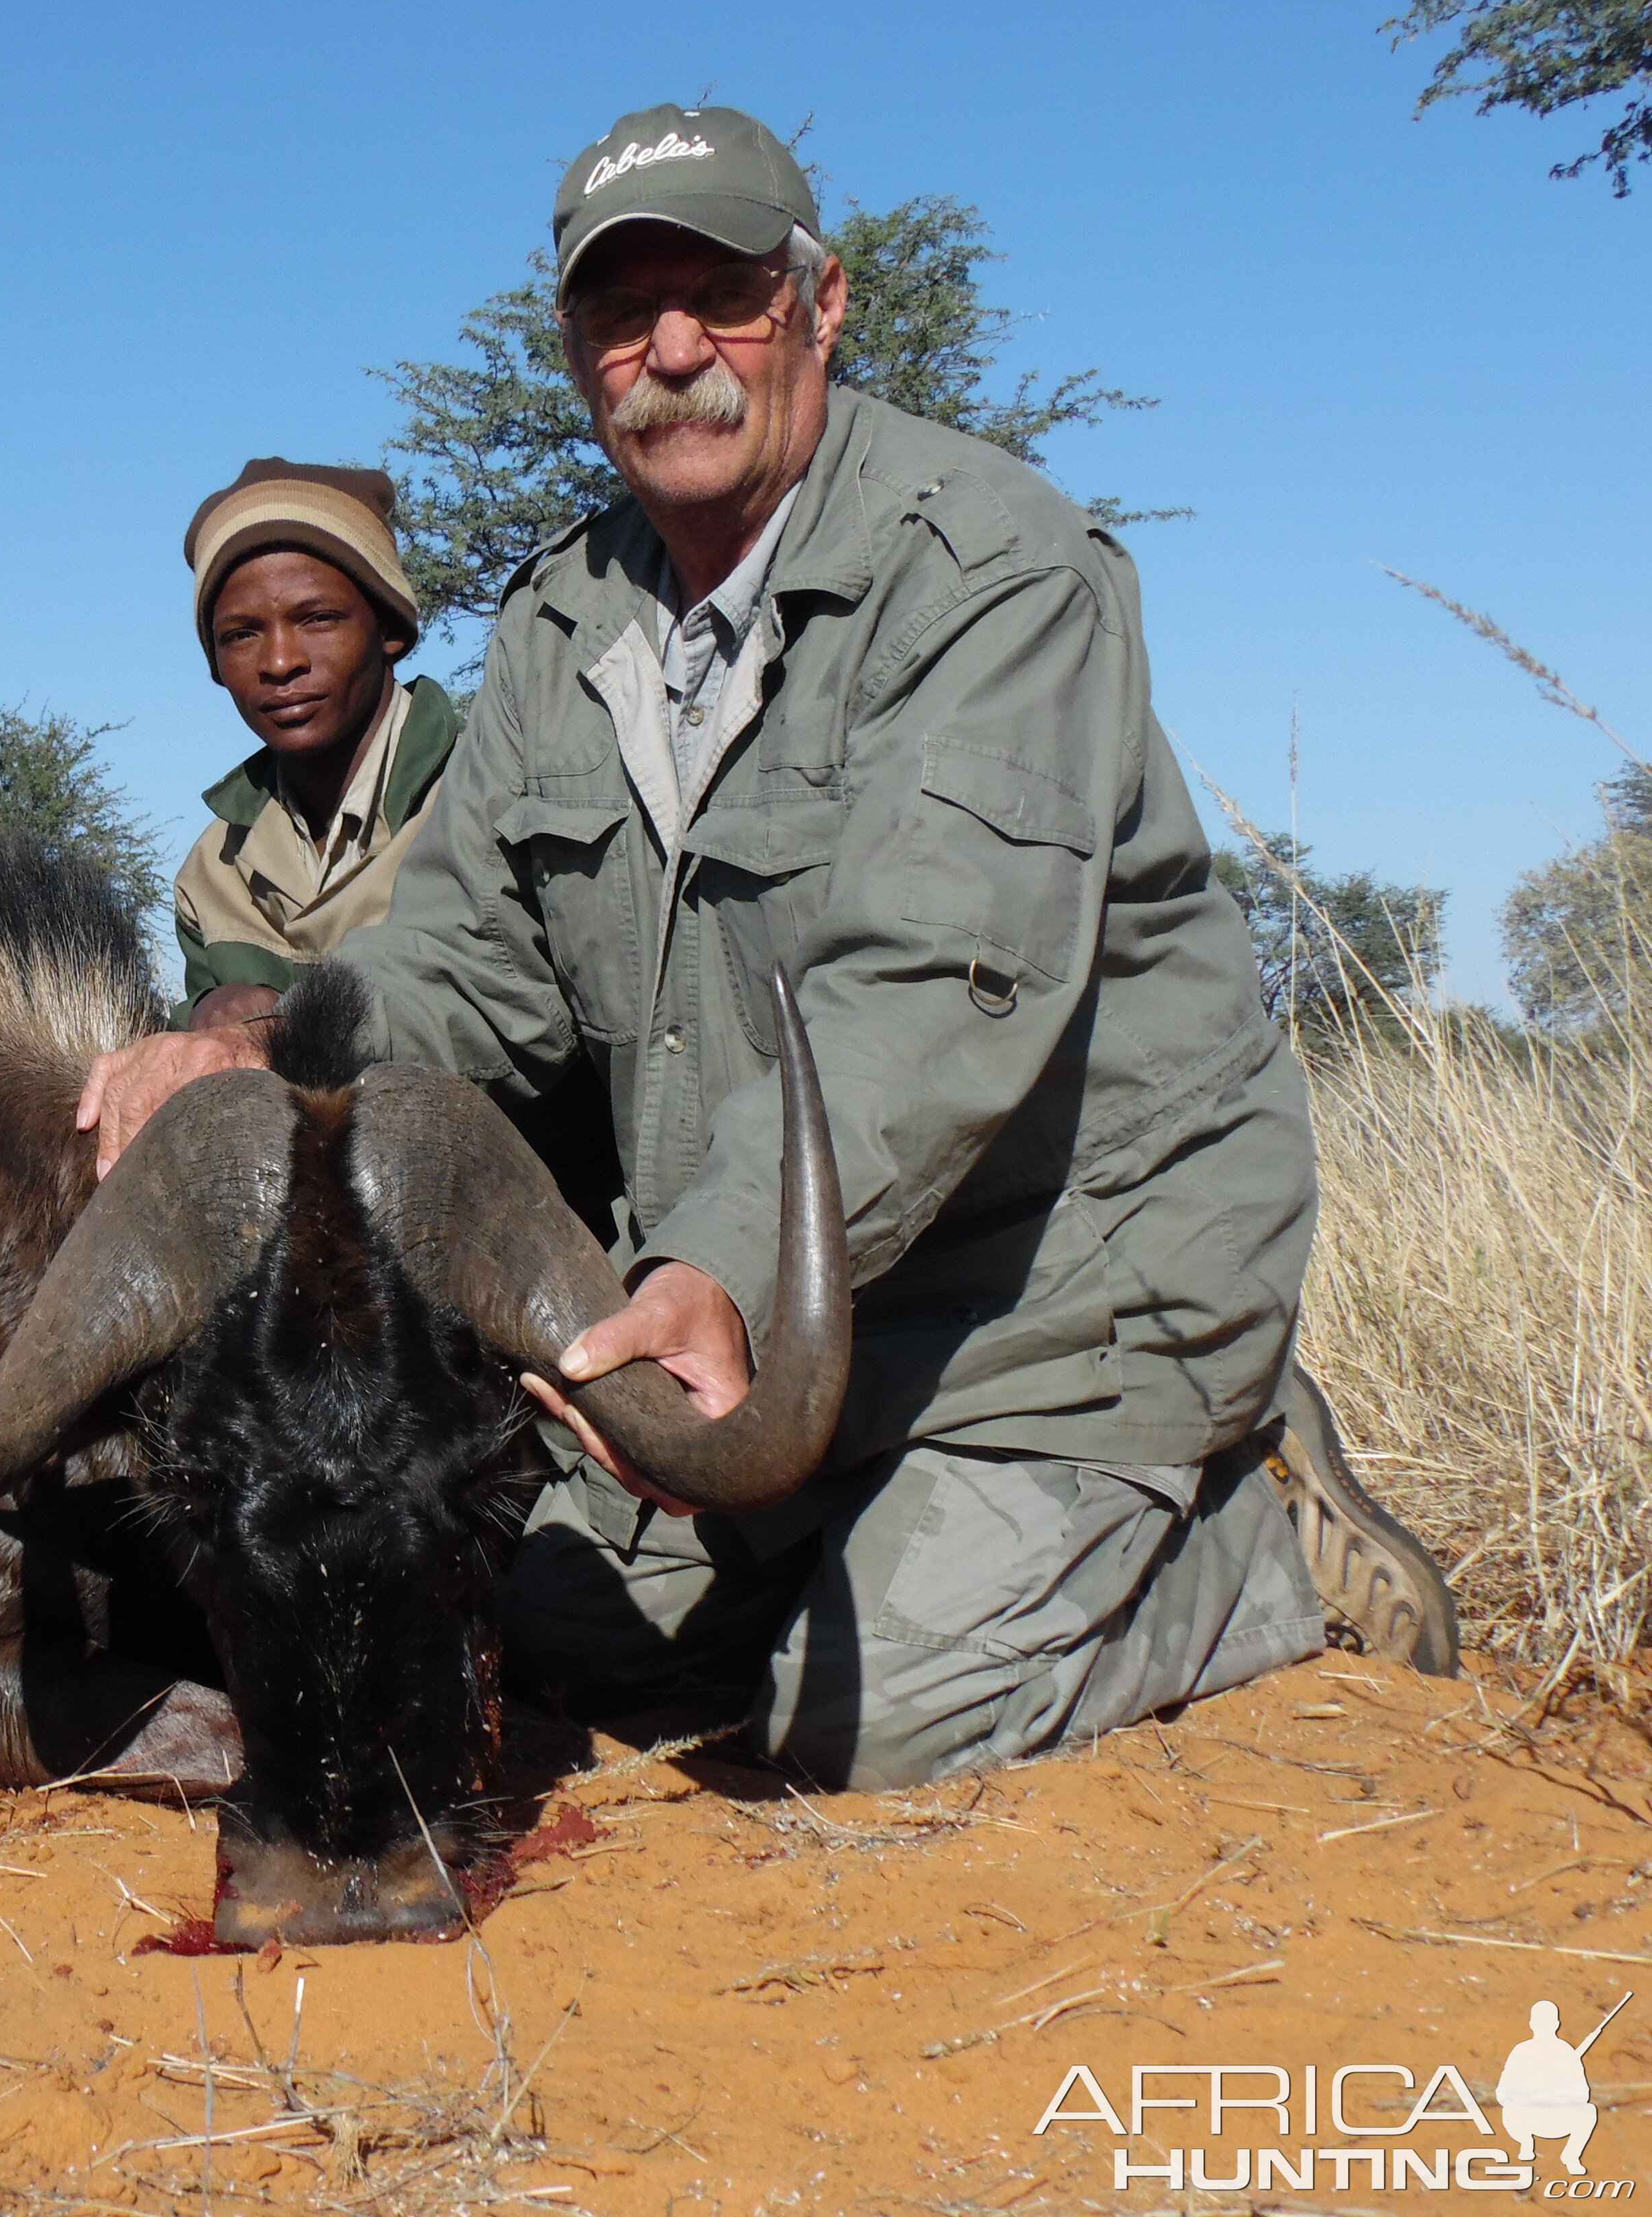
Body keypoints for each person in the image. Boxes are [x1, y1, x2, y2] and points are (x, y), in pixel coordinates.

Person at [78, 103, 1455, 1789]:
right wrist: (266, 1060)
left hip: (1059, 1294)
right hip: (776, 1323)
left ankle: (1256, 1543)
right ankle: (876, 1536)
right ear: (576, 349)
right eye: (619, 310)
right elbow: (465, 962)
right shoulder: (561, 618)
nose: (673, 350)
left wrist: (713, 1263)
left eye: (720, 294)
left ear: (821, 306)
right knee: (555, 1645)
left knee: (859, 1723)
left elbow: (935, 981)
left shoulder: (993, 567)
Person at [169, 460, 462, 1031]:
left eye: (319, 619)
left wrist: (284, 1019)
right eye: (241, 635)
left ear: (391, 630)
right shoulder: (212, 873)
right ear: (216, 665)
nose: (280, 662)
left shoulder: (484, 799)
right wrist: (203, 1013)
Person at [1495, 2000, 1603, 2175]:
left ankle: (1571, 2156)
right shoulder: (1522, 2051)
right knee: (1510, 2109)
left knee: (1589, 2111)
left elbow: (1583, 2093)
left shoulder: (1566, 2052)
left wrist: (1559, 2094)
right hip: (1526, 2119)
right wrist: (1529, 2095)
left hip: (1559, 2118)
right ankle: (1526, 2143)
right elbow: (1503, 2092)